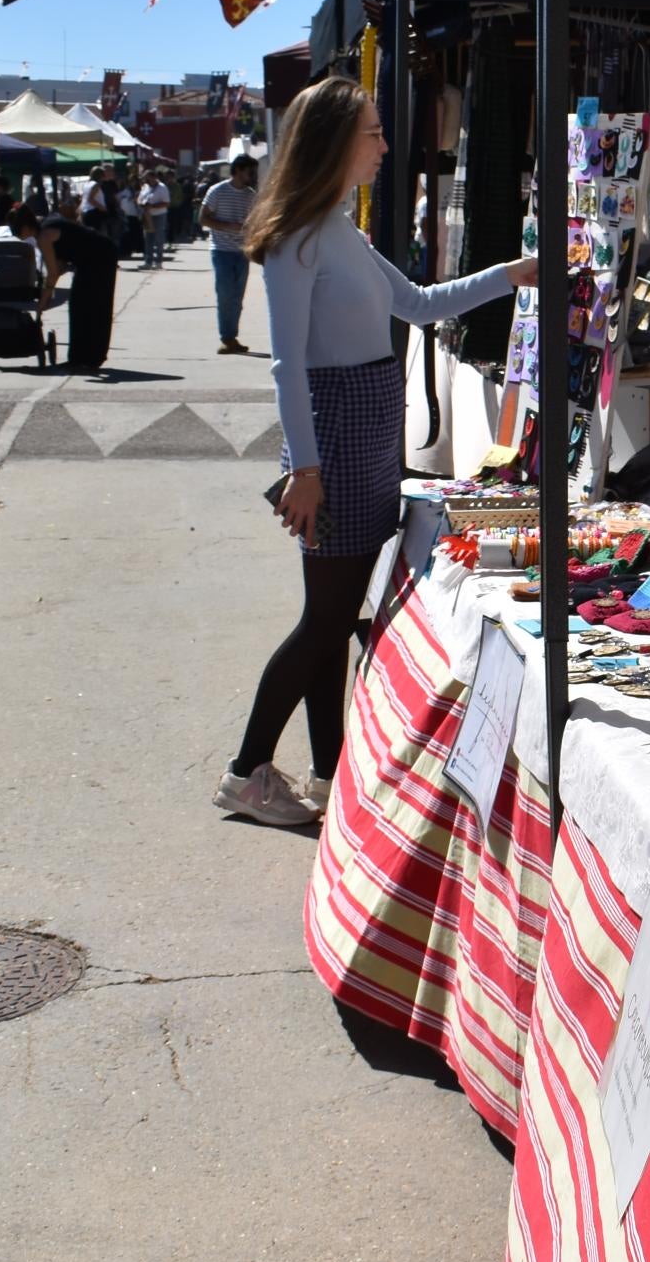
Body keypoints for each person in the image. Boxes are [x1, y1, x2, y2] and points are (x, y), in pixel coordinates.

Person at [215, 76, 538, 828]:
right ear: (334, 140)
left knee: (331, 619)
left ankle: (327, 775)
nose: (384, 145)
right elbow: (287, 366)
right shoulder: (299, 240)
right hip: (334, 442)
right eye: (373, 131)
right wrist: (304, 469)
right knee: (324, 623)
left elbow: (420, 304)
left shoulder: (337, 230)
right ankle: (245, 773)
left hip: (360, 439)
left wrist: (513, 275)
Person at [34, 198, 123, 372]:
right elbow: (58, 268)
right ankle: (80, 357)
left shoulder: (44, 236)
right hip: (92, 257)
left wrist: (42, 303)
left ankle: (89, 358)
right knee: (79, 305)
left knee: (93, 306)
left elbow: (52, 274)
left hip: (99, 257)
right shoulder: (50, 224)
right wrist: (45, 296)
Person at [202, 157, 258, 353]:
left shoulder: (251, 195)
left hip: (242, 252)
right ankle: (227, 337)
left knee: (237, 298)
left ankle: (231, 337)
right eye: (250, 171)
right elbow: (203, 218)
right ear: (239, 171)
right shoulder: (217, 191)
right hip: (221, 250)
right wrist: (228, 226)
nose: (252, 176)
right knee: (225, 296)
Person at [134, 167, 174, 269]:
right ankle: (148, 261)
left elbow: (167, 203)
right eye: (145, 179)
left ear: (154, 177)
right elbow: (139, 199)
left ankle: (159, 261)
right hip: (147, 215)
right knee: (148, 239)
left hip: (159, 215)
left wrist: (152, 206)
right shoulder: (145, 187)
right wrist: (141, 204)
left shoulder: (162, 187)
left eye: (148, 178)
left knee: (158, 238)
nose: (146, 181)